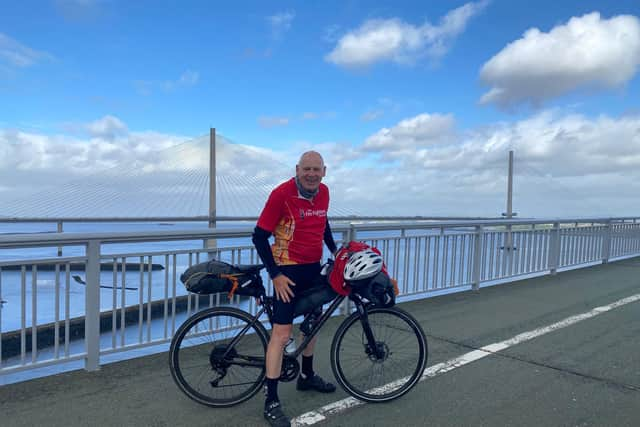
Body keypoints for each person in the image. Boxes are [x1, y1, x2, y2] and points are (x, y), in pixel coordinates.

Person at [252, 151, 338, 427]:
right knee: (281, 333)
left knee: (313, 324)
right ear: (297, 170)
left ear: (324, 171)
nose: (311, 174)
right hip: (287, 273)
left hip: (313, 270)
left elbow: (323, 224)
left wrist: (336, 251)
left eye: (316, 169)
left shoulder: (323, 192)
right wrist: (275, 274)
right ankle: (271, 401)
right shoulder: (281, 195)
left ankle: (307, 377)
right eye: (306, 169)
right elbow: (258, 236)